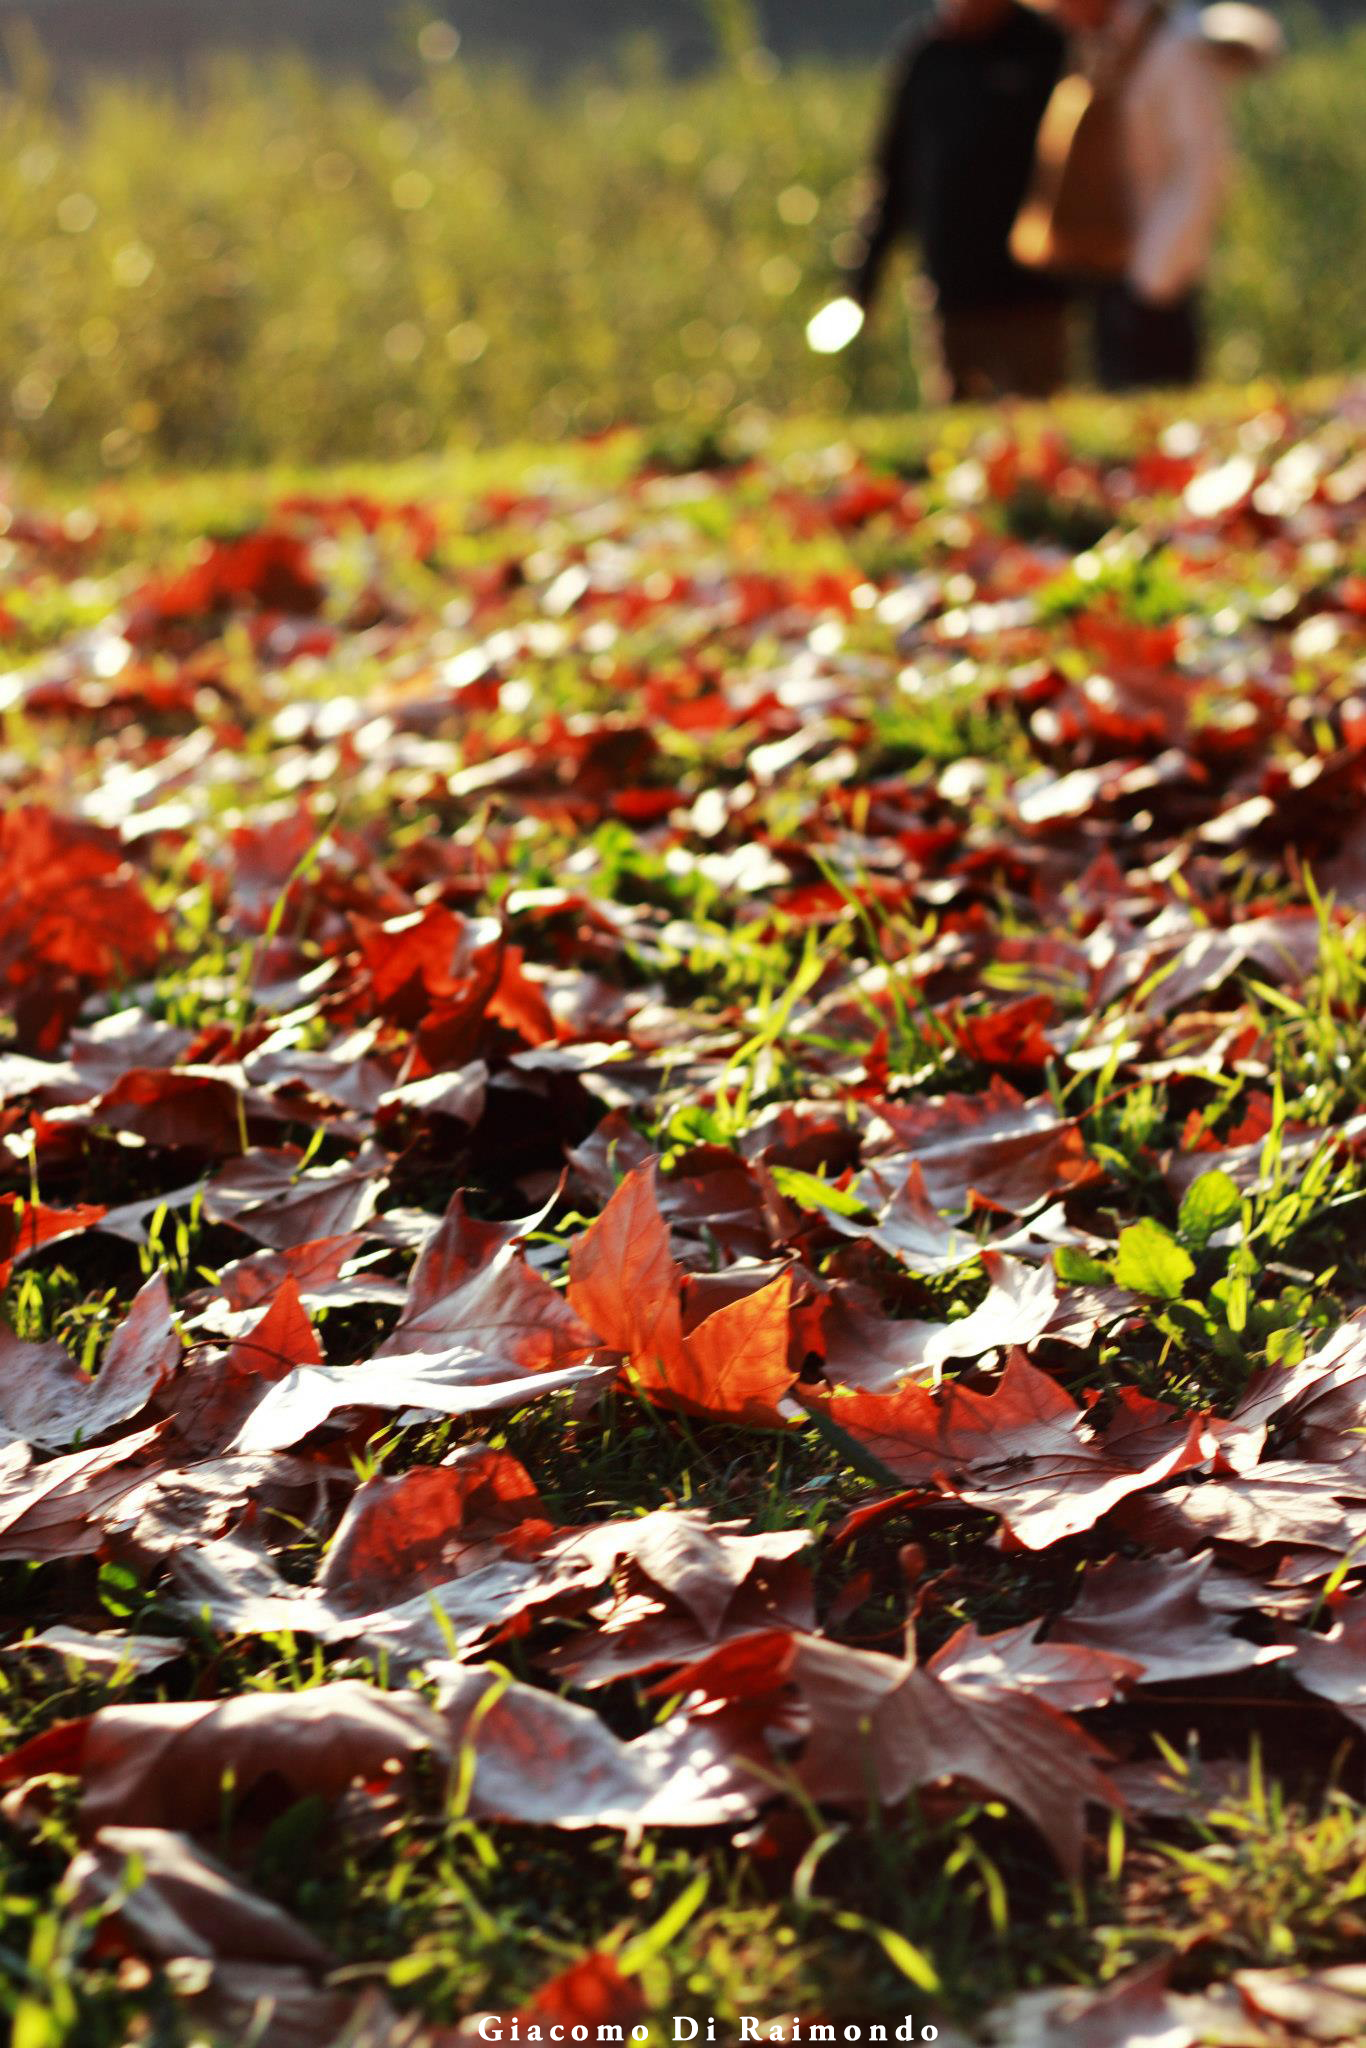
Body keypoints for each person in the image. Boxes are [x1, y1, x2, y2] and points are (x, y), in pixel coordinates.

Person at [850, 0, 1070, 403]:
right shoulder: (927, 56)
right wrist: (865, 277)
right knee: (959, 418)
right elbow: (894, 173)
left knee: (1040, 416)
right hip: (953, 287)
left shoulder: (1047, 46)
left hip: (1034, 289)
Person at [1046, 0, 1235, 390]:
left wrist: (1151, 276)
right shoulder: (1105, 49)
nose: (1055, 12)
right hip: (1111, 268)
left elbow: (1203, 169)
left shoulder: (1173, 47)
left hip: (1155, 281)